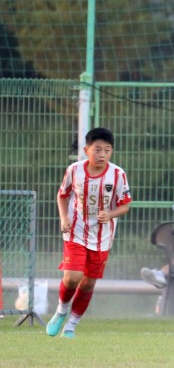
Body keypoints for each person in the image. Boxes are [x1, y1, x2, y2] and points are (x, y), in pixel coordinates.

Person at [46, 127, 132, 339]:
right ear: (87, 150)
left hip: (102, 237)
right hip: (75, 232)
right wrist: (64, 218)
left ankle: (71, 326)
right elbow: (62, 195)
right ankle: (61, 311)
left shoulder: (118, 174)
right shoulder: (74, 170)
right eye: (98, 150)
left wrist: (111, 214)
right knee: (73, 277)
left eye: (107, 150)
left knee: (88, 283)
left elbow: (125, 206)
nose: (102, 155)